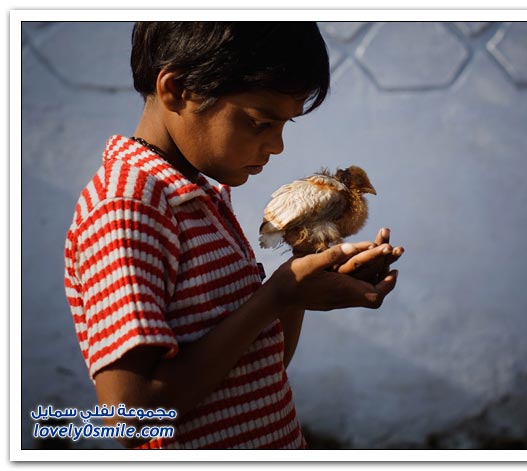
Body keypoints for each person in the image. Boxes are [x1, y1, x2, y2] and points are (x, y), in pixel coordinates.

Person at [63, 21, 403, 449]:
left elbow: (259, 367)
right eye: (260, 123)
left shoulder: (198, 198)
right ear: (178, 90)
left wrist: (297, 286)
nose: (277, 145)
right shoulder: (127, 207)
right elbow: (130, 416)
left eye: (284, 126)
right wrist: (276, 295)